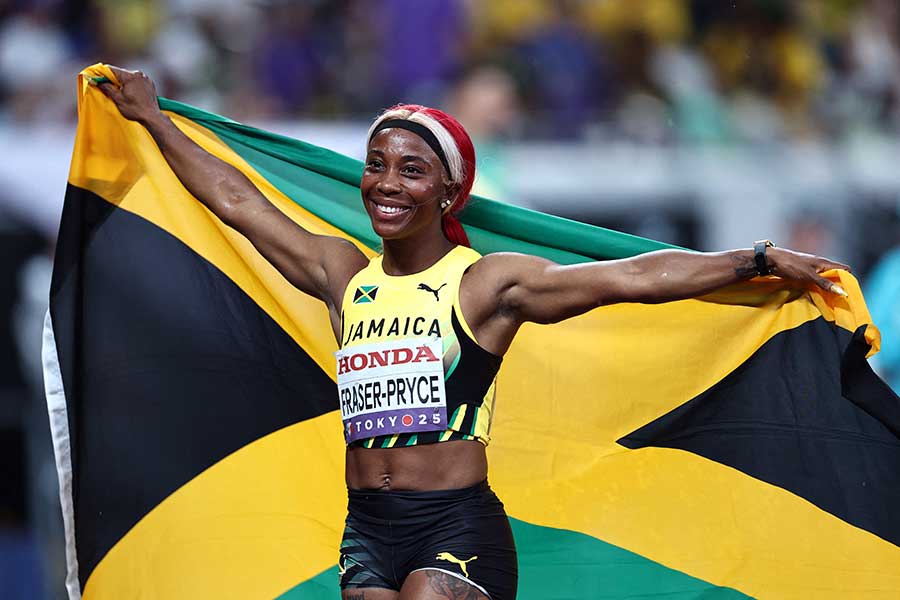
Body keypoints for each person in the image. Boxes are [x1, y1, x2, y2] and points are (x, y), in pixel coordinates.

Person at [95, 66, 850, 600]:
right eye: (377, 165)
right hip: (367, 529)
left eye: (412, 171)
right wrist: (153, 119)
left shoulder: (485, 283)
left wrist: (751, 257)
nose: (388, 183)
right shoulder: (341, 274)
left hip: (454, 523)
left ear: (450, 190)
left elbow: (633, 278)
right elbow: (236, 201)